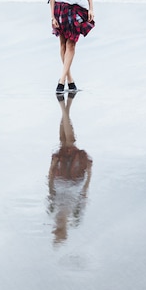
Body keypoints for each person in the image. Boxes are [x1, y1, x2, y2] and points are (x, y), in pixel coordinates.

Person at [47, 92, 93, 245]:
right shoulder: (75, 214)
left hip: (64, 178)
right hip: (72, 178)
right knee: (69, 142)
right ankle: (63, 103)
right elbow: (84, 193)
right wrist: (89, 172)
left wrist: (51, 169)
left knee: (64, 141)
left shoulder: (55, 210)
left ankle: (67, 102)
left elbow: (51, 190)